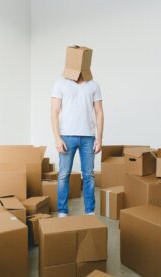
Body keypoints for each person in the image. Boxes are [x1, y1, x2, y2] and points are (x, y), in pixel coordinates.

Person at [50, 47, 104, 217]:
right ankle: (62, 211)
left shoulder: (94, 85)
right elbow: (54, 111)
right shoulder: (60, 83)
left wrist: (99, 138)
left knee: (89, 175)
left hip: (89, 137)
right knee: (63, 175)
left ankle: (90, 211)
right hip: (67, 136)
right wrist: (57, 138)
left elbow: (99, 112)